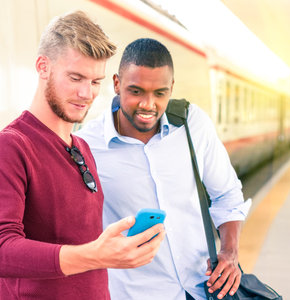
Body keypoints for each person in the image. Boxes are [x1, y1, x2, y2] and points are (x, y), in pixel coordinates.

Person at [0, 12, 165, 300]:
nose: (86, 93)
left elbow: (82, 243)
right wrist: (95, 255)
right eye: (75, 77)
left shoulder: (83, 147)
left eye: (96, 81)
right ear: (43, 67)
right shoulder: (9, 147)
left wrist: (115, 248)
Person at [77, 38, 251, 300]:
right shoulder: (87, 145)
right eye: (136, 91)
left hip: (202, 290)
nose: (148, 104)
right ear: (116, 84)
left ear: (171, 88)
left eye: (160, 93)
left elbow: (227, 194)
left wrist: (230, 250)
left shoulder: (193, 124)